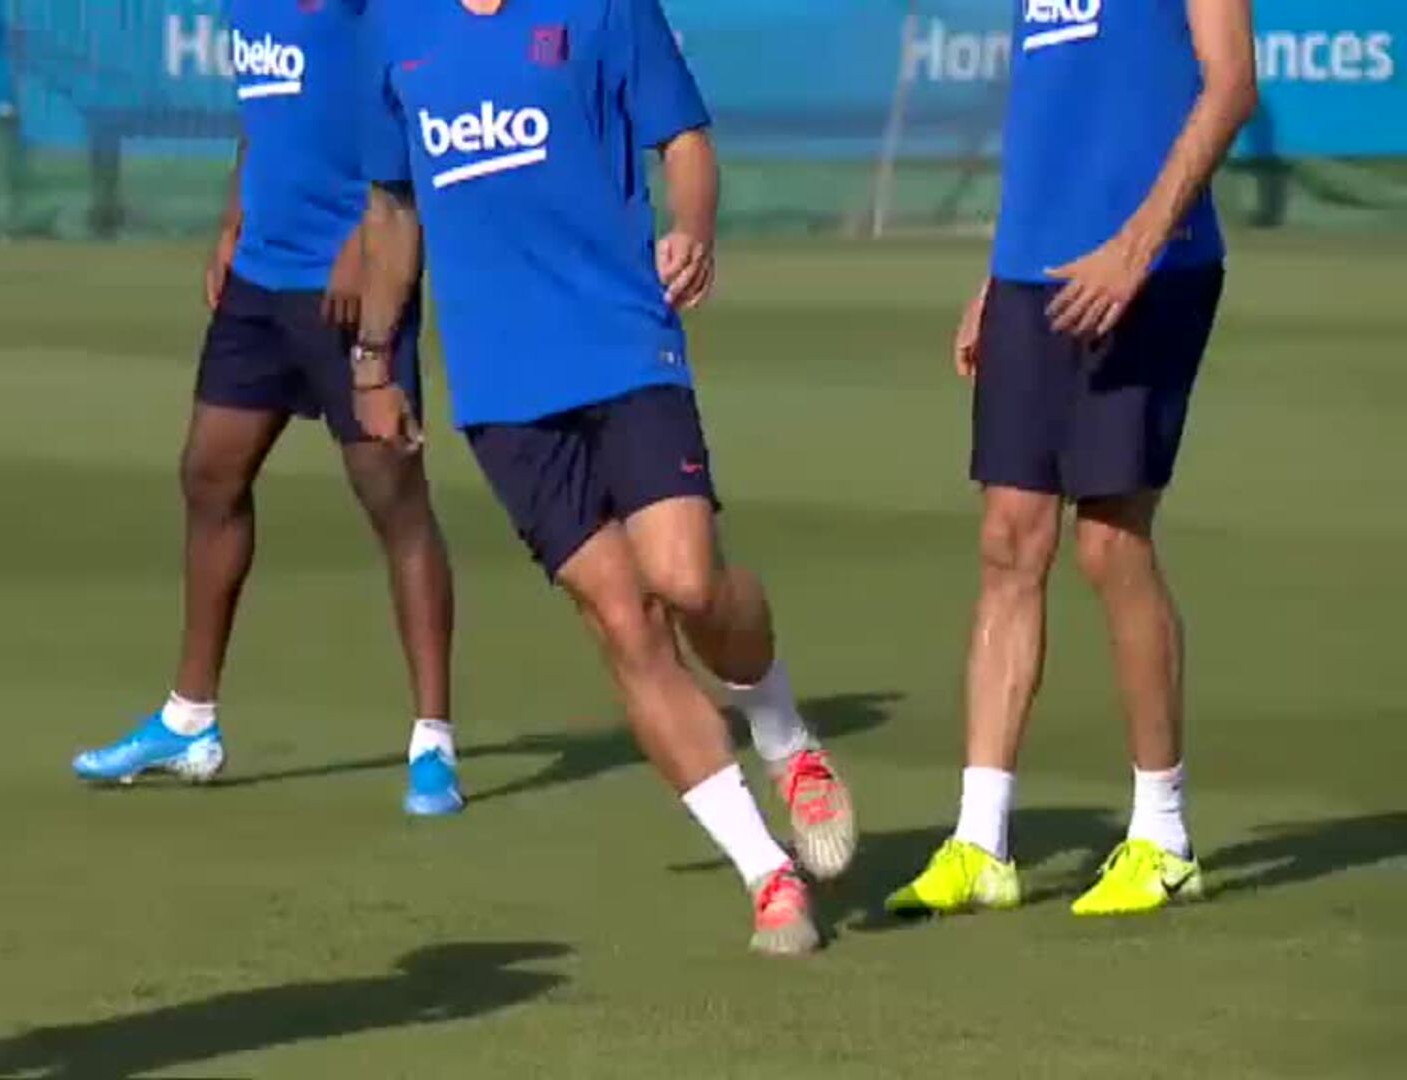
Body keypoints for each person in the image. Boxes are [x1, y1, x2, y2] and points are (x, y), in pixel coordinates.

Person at [352, 0, 856, 955]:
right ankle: (767, 875)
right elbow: (391, 206)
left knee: (688, 580)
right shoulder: (395, 28)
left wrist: (695, 229)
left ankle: (784, 732)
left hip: (623, 345)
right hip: (503, 391)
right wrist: (374, 361)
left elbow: (686, 141)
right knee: (624, 623)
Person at [886, 0, 1258, 919]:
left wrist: (1135, 250)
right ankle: (981, 844)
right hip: (1031, 274)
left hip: (1153, 271)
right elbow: (1056, 114)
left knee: (1109, 543)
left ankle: (1163, 838)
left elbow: (1232, 87)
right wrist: (999, 276)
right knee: (1009, 541)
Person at [71, 0, 462, 816]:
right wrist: (232, 219)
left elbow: (420, 95)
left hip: (350, 281)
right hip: (260, 279)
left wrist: (370, 239)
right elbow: (263, 118)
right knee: (209, 474)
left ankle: (433, 740)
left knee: (394, 499)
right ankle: (190, 720)